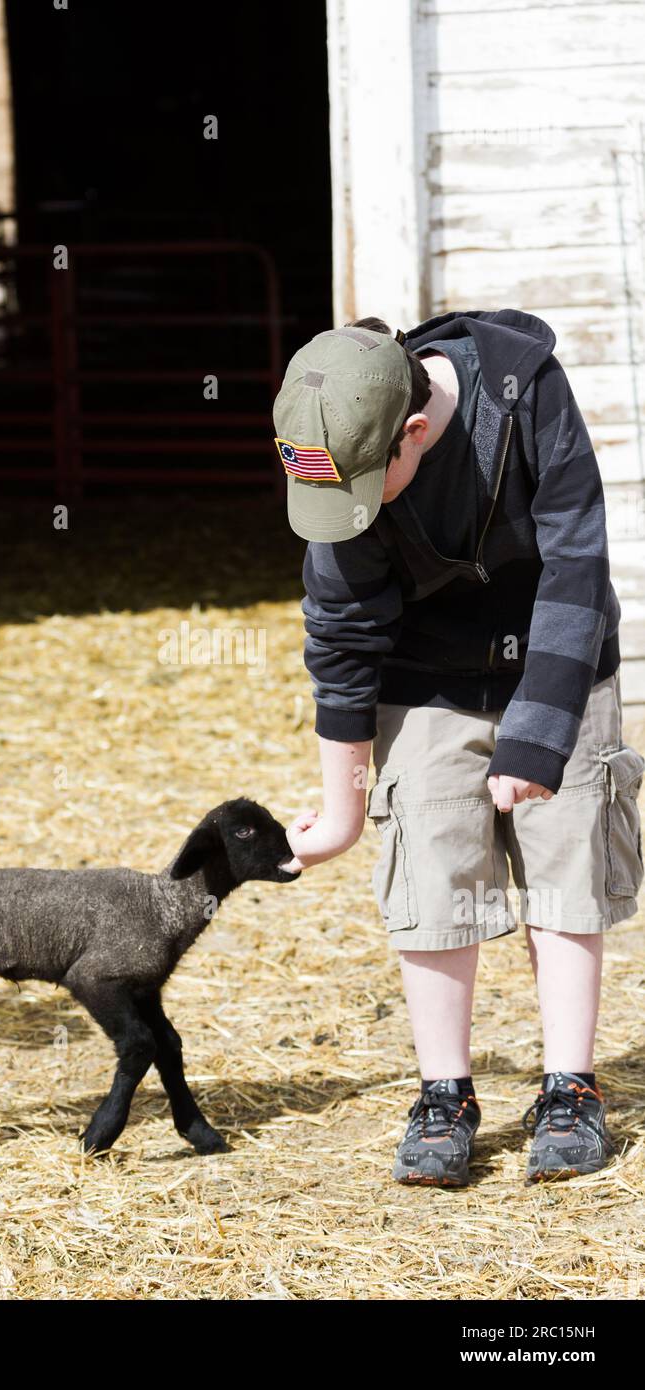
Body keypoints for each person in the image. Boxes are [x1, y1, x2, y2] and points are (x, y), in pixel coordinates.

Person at [276, 312, 644, 1186]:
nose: (354, 514)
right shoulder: (340, 450)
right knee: (432, 862)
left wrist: (539, 731)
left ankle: (570, 1087)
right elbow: (340, 633)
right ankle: (446, 1093)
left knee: (565, 861)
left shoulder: (526, 391)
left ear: (412, 432)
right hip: (424, 676)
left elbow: (575, 562)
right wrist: (342, 812)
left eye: (369, 487)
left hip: (558, 659)